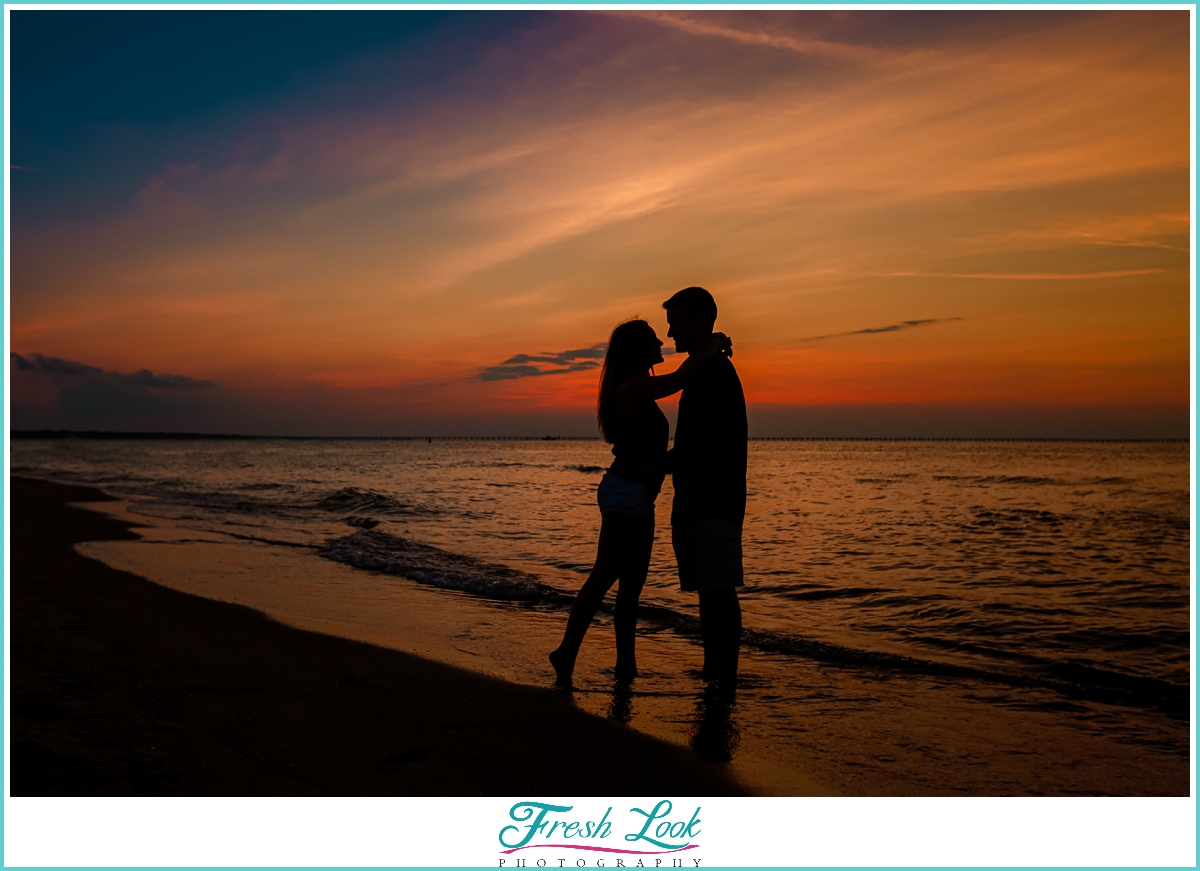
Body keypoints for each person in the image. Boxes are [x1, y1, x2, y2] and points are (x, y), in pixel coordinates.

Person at [549, 318, 731, 687]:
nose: (661, 341)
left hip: (636, 495)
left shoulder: (636, 388)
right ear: (637, 347)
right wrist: (713, 344)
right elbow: (682, 378)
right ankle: (566, 651)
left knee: (630, 589)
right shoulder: (631, 387)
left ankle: (625, 666)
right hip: (626, 492)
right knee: (603, 578)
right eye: (652, 337)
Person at [662, 286, 747, 687]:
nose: (671, 334)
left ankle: (724, 675)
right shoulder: (703, 368)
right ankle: (714, 670)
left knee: (718, 589)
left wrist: (660, 463)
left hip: (713, 499)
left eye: (676, 323)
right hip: (698, 499)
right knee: (709, 591)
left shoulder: (712, 372)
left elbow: (708, 442)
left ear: (699, 319)